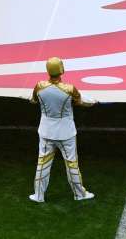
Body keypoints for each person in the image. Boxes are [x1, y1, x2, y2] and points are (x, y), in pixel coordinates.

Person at [25, 57, 97, 203]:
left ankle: (39, 195)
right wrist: (95, 101)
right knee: (72, 164)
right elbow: (82, 102)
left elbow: (33, 100)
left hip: (46, 131)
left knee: (42, 163)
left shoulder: (39, 86)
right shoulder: (69, 89)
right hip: (66, 133)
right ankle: (80, 194)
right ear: (61, 70)